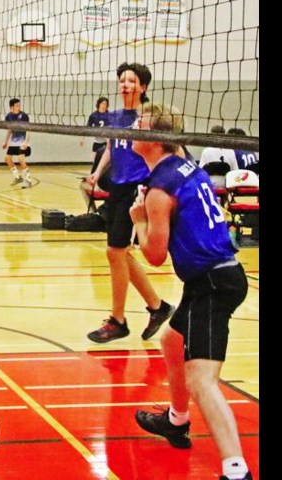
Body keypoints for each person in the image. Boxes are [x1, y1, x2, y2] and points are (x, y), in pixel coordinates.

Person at [129, 103, 252, 480]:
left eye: (140, 123)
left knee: (202, 380)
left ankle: (236, 469)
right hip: (212, 278)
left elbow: (153, 255)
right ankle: (176, 420)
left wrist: (139, 221)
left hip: (214, 283)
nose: (133, 127)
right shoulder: (184, 162)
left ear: (156, 139)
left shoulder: (158, 192)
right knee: (171, 340)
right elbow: (177, 143)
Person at [86, 62, 173, 343]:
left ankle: (118, 320)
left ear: (143, 87)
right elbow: (111, 147)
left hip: (138, 189)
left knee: (115, 250)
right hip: (117, 188)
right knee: (120, 252)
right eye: (122, 80)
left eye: (132, 81)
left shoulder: (148, 118)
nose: (125, 84)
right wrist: (97, 173)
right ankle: (158, 307)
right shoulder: (113, 116)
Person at [2, 98, 31, 188]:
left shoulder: (24, 116)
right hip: (14, 142)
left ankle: (28, 180)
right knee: (7, 159)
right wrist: (6, 141)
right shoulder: (9, 117)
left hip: (23, 141)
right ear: (12, 107)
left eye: (19, 105)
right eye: (17, 105)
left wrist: (26, 142)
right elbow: (9, 130)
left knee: (20, 158)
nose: (19, 106)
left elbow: (28, 129)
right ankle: (17, 177)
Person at [86, 97, 110, 172]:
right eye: (102, 103)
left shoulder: (109, 115)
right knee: (96, 159)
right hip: (97, 141)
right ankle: (94, 173)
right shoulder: (94, 115)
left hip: (107, 141)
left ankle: (105, 175)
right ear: (99, 104)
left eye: (105, 104)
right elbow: (87, 127)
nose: (104, 105)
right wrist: (82, 138)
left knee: (106, 160)